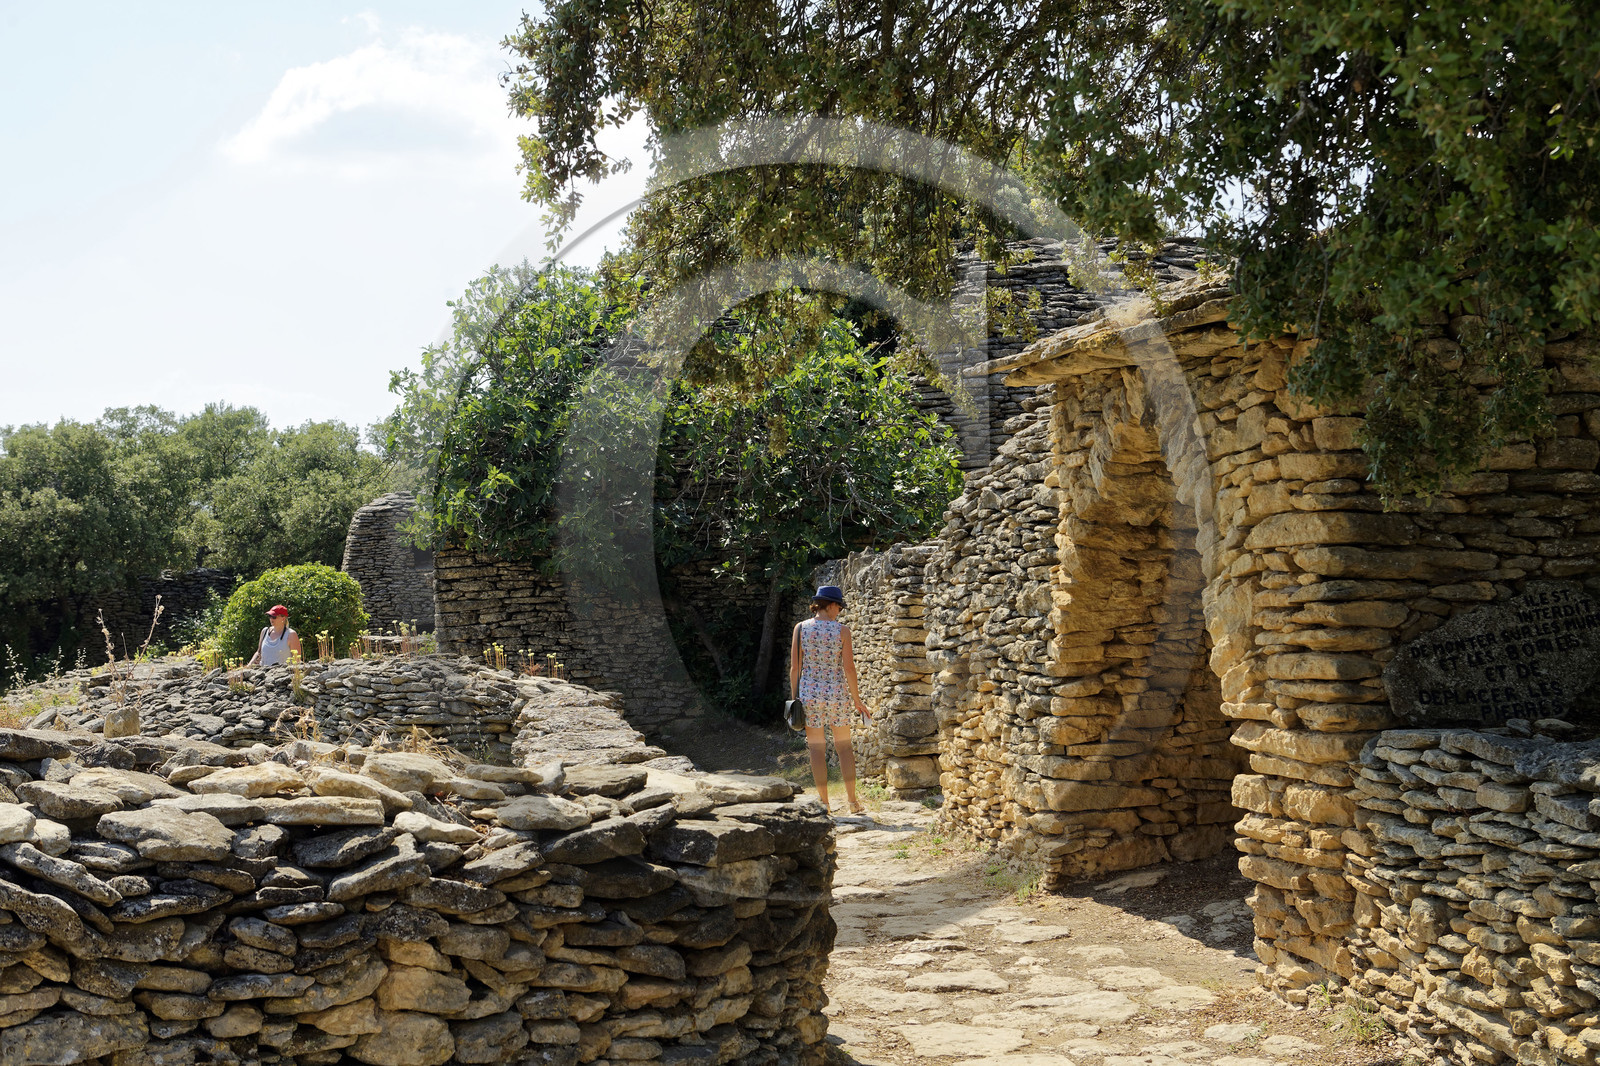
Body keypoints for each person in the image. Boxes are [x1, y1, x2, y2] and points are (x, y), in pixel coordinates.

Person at [790, 584, 873, 815]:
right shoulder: (842, 631)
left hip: (809, 695)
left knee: (816, 750)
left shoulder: (800, 628)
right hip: (837, 695)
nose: (840, 611)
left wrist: (795, 698)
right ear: (831, 605)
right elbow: (849, 668)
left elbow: (795, 667)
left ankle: (824, 805)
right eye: (839, 607)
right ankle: (853, 803)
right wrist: (858, 700)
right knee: (844, 748)